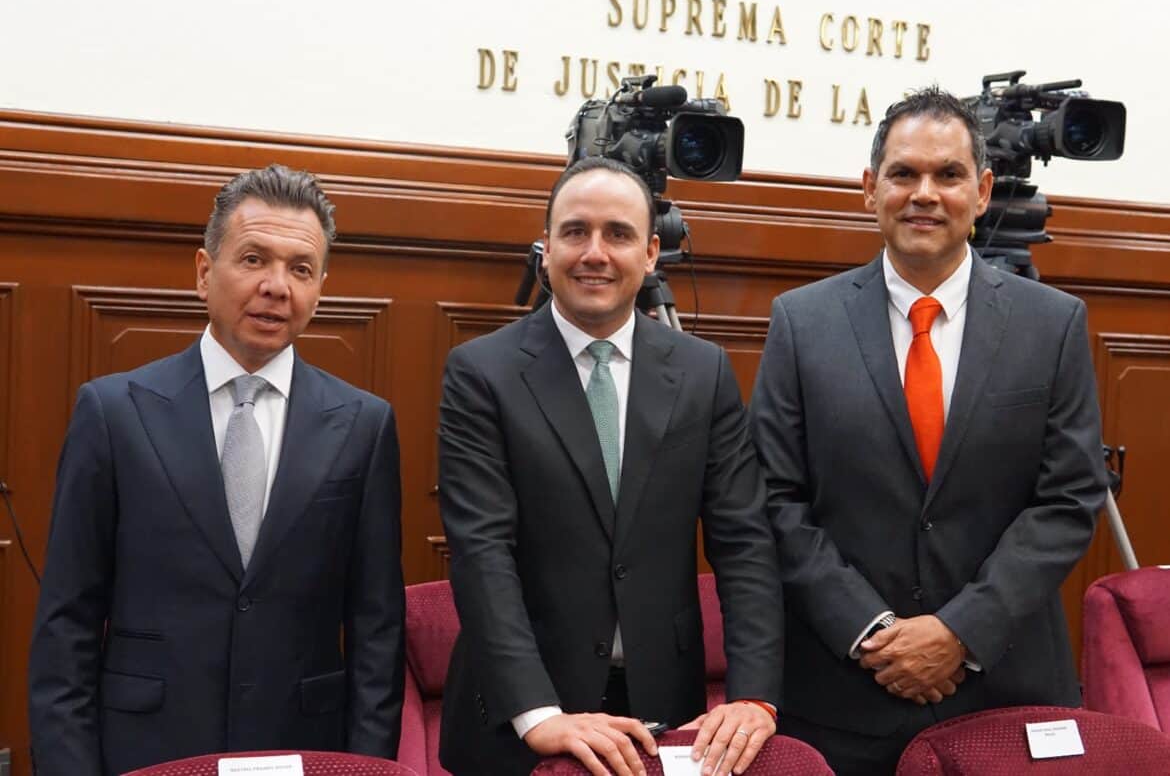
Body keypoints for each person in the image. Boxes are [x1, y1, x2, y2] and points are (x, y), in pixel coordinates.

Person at [749, 86, 1108, 775]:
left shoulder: (1053, 324)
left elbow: (1068, 500)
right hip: (844, 697)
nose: (925, 194)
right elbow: (774, 498)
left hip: (1005, 691)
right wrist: (872, 632)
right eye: (903, 173)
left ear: (982, 192)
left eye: (948, 175)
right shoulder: (802, 322)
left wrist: (959, 632)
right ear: (869, 188)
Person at [28, 164, 405, 775]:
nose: (276, 286)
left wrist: (366, 770)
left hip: (302, 749)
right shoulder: (114, 412)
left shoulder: (364, 425)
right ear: (204, 272)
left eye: (300, 269)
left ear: (320, 288)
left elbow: (376, 632)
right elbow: (66, 623)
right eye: (254, 259)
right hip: (147, 750)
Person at [437, 156, 784, 776]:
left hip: (664, 710)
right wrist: (539, 714)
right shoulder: (480, 373)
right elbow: (481, 552)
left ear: (650, 254)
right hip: (521, 717)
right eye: (575, 231)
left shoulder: (703, 372)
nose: (594, 253)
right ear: (546, 248)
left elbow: (744, 542)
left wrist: (754, 694)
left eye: (618, 234)